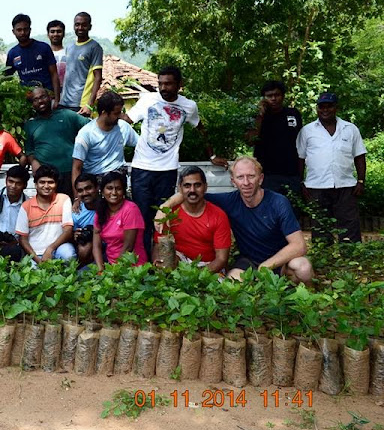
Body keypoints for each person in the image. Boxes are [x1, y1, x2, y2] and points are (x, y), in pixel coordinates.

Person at [124, 66, 228, 259]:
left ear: (180, 84)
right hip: (142, 169)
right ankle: (141, 262)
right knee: (142, 218)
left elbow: (200, 128)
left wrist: (212, 156)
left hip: (168, 170)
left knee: (163, 218)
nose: (163, 87)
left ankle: (162, 261)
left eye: (168, 83)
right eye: (160, 83)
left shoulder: (189, 106)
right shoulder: (147, 100)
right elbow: (125, 120)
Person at [157, 156, 313, 284]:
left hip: (280, 261)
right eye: (240, 177)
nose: (246, 183)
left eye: (251, 176)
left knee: (303, 268)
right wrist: (164, 207)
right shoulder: (229, 201)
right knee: (232, 283)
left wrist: (266, 266)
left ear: (260, 178)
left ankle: (304, 300)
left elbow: (299, 245)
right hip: (248, 261)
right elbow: (191, 193)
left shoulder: (278, 202)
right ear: (233, 181)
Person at [297, 92, 367, 242]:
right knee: (320, 225)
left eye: (329, 106)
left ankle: (351, 254)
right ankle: (324, 254)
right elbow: (300, 159)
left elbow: (360, 156)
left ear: (336, 108)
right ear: (317, 108)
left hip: (346, 185)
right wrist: (301, 182)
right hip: (316, 186)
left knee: (349, 223)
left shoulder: (350, 128)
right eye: (322, 107)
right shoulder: (307, 131)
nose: (325, 110)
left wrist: (361, 181)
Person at [152, 166, 231, 273]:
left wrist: (195, 276)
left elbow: (221, 259)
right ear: (180, 188)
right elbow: (158, 245)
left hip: (208, 266)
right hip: (178, 262)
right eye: (187, 186)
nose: (192, 190)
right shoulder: (169, 214)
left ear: (205, 187)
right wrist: (158, 262)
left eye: (197, 185)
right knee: (167, 257)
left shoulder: (218, 215)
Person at [24, 87, 89, 198]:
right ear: (32, 104)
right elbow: (29, 150)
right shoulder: (30, 125)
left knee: (72, 207)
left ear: (50, 97)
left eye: (43, 97)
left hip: (71, 172)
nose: (40, 101)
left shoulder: (67, 115)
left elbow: (91, 127)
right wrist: (33, 162)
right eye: (35, 99)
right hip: (47, 177)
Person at [246, 80, 302, 196]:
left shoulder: (293, 114)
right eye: (269, 96)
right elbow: (250, 141)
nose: (273, 99)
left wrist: (301, 175)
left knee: (292, 210)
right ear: (263, 98)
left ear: (283, 96)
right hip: (267, 175)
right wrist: (260, 115)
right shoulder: (256, 116)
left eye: (277, 95)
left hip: (292, 173)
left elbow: (302, 143)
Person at [72, 90, 138, 188]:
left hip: (118, 178)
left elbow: (140, 145)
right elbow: (76, 168)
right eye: (116, 113)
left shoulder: (123, 127)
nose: (120, 116)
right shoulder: (86, 134)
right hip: (96, 181)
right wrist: (78, 198)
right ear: (103, 112)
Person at [16, 164, 76, 263]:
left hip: (58, 249)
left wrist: (50, 249)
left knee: (68, 254)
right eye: (42, 182)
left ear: (56, 184)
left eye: (50, 182)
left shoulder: (63, 199)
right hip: (35, 253)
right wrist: (37, 260)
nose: (46, 186)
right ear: (35, 184)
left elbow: (68, 231)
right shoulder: (26, 206)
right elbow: (23, 239)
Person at [93, 171, 148, 271]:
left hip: (132, 267)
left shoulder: (131, 209)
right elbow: (96, 245)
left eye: (118, 189)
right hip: (110, 265)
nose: (114, 193)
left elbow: (128, 247)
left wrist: (114, 273)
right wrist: (100, 270)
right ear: (102, 190)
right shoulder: (100, 211)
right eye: (109, 188)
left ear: (123, 191)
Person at [5, 13, 60, 104]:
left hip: (48, 98)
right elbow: (7, 76)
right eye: (19, 30)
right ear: (13, 31)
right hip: (28, 101)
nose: (22, 33)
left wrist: (57, 99)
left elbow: (54, 74)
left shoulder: (43, 47)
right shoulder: (12, 53)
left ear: (30, 30)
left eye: (25, 29)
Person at [59, 12, 103, 116]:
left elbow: (98, 77)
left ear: (90, 27)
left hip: (81, 104)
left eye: (84, 25)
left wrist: (89, 104)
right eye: (77, 24)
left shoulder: (94, 47)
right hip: (64, 102)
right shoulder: (69, 47)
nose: (80, 27)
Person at [72, 173, 99, 266]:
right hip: (90, 247)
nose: (85, 193)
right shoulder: (77, 211)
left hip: (110, 242)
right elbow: (72, 235)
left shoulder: (108, 205)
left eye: (88, 188)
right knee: (84, 248)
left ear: (97, 188)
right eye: (80, 190)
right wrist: (74, 235)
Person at [47, 19, 66, 86]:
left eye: (59, 31)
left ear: (64, 34)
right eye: (52, 31)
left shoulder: (69, 53)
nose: (55, 34)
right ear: (48, 34)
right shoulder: (44, 54)